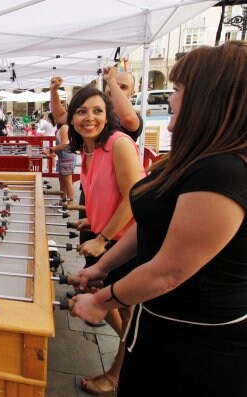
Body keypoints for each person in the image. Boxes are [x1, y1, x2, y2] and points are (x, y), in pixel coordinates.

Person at [71, 42, 247, 397]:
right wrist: (100, 267)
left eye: (179, 89)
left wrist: (102, 300)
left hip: (196, 342)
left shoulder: (223, 171)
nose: (171, 97)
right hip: (159, 324)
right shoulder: (193, 157)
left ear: (205, 97)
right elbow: (149, 222)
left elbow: (169, 271)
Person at [66, 86, 145, 395]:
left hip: (124, 245)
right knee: (107, 301)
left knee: (129, 314)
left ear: (109, 115)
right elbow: (106, 194)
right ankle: (127, 353)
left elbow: (134, 198)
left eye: (98, 111)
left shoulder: (118, 143)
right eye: (82, 111)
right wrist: (91, 216)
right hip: (102, 237)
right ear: (72, 117)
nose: (90, 118)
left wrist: (102, 236)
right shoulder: (87, 150)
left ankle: (117, 374)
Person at [43, 118, 76, 207]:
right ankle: (62, 201)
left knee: (68, 182)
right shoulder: (62, 128)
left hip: (67, 158)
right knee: (62, 181)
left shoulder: (65, 127)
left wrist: (52, 149)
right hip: (63, 157)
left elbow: (64, 144)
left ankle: (70, 204)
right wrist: (52, 152)